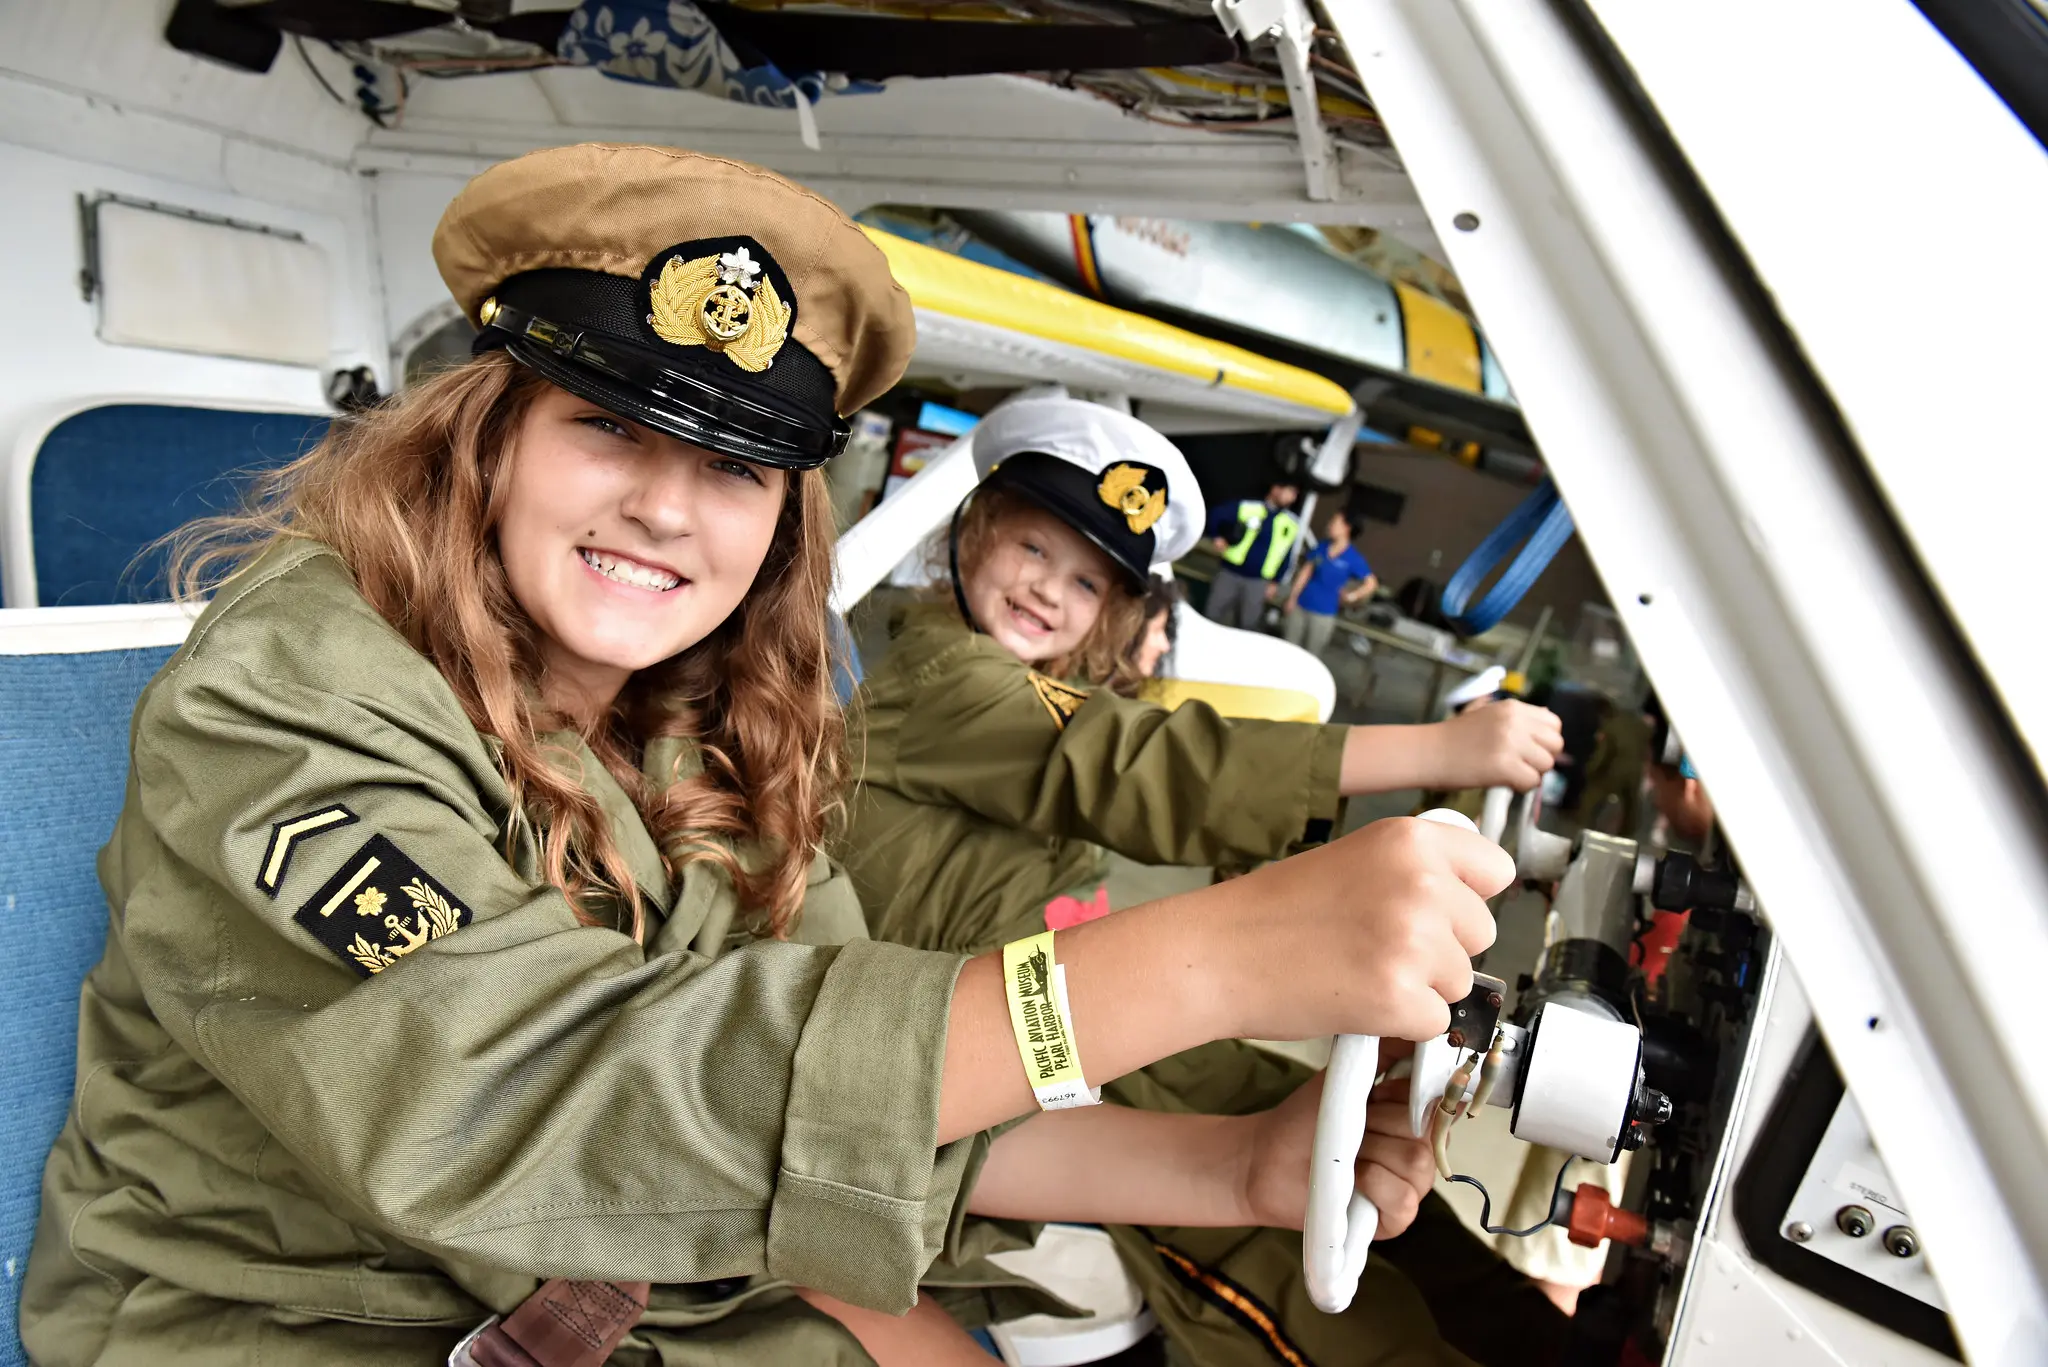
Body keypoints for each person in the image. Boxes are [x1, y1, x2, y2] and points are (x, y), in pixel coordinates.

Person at [20, 144, 1508, 1367]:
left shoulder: (689, 714)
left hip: (635, 1289)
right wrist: (1207, 963)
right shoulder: (293, 686)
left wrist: (1228, 1165)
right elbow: (535, 1092)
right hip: (313, 1319)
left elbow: (833, 1086)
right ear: (486, 434)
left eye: (734, 464)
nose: (670, 509)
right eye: (610, 424)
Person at [842, 396, 1572, 1366]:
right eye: (1030, 549)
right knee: (1281, 1254)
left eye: (1087, 580)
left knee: (1340, 1142)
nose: (1049, 591)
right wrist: (1440, 746)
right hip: (1005, 1045)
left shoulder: (1011, 681)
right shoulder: (941, 675)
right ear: (971, 532)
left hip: (1067, 1008)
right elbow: (1138, 765)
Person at [1203, 475, 1304, 629]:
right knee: (1211, 617)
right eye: (1290, 491)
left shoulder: (1290, 523)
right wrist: (1217, 536)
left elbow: (1286, 555)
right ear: (1276, 489)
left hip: (1258, 582)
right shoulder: (1249, 507)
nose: (1292, 497)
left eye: (1295, 494)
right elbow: (1216, 514)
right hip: (1230, 573)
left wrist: (1275, 582)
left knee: (1247, 626)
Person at [1283, 506, 1378, 658]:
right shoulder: (1321, 547)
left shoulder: (1353, 558)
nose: (1330, 524)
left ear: (1347, 527)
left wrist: (1351, 596)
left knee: (1311, 656)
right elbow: (1305, 572)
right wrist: (1292, 597)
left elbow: (1371, 583)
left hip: (1324, 614)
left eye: (1335, 522)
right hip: (1300, 605)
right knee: (1287, 649)